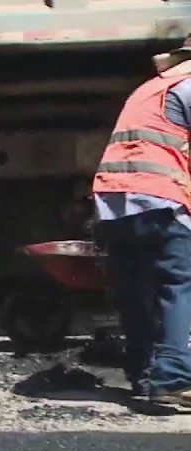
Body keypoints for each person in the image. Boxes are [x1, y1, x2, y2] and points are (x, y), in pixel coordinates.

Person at [93, 34, 191, 408]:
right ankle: (174, 379)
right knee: (179, 284)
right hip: (158, 198)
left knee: (136, 291)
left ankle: (144, 374)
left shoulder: (150, 89)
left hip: (113, 201)